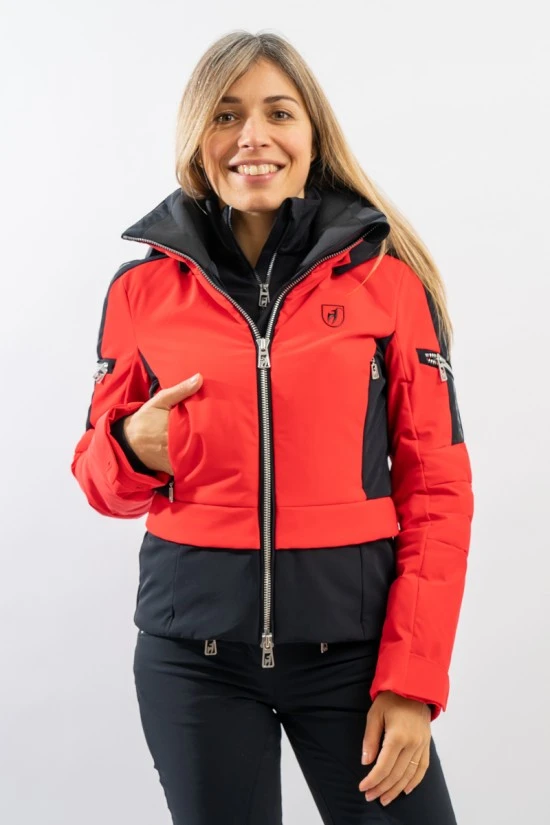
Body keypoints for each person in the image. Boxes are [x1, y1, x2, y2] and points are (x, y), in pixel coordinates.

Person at [71, 29, 474, 825]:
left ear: (312, 134)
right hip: (195, 663)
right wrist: (129, 449)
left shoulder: (387, 282)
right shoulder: (141, 292)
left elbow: (437, 491)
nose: (252, 136)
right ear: (199, 138)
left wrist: (411, 680)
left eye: (278, 113)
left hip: (355, 659)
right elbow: (97, 478)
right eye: (226, 115)